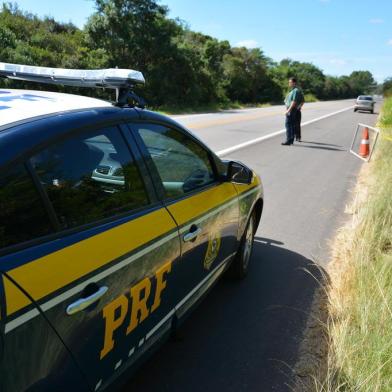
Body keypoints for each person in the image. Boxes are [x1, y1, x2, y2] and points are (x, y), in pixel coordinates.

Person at [282, 77, 304, 145]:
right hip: (292, 109)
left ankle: (289, 140)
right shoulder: (292, 91)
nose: (289, 83)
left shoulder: (296, 91)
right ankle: (290, 139)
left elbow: (294, 101)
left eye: (290, 82)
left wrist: (288, 110)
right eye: (289, 82)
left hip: (292, 109)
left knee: (288, 124)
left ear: (294, 83)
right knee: (290, 124)